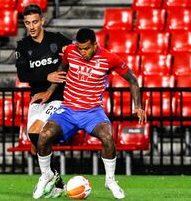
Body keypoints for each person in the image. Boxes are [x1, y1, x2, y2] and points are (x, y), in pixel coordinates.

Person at [32, 28, 147, 199]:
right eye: (80, 48)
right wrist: (50, 90)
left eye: (86, 48)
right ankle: (47, 174)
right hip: (68, 109)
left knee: (108, 137)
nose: (83, 52)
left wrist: (138, 106)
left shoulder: (109, 58)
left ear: (95, 44)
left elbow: (132, 80)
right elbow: (62, 67)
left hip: (92, 111)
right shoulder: (71, 51)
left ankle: (110, 180)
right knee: (44, 135)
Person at [15, 4, 72, 199]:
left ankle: (47, 176)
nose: (31, 26)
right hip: (37, 99)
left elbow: (76, 53)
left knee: (36, 132)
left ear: (42, 21)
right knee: (35, 145)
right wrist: (47, 76)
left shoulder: (57, 39)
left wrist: (69, 51)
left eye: (35, 22)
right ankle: (57, 183)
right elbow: (23, 74)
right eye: (27, 23)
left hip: (58, 97)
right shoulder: (23, 46)